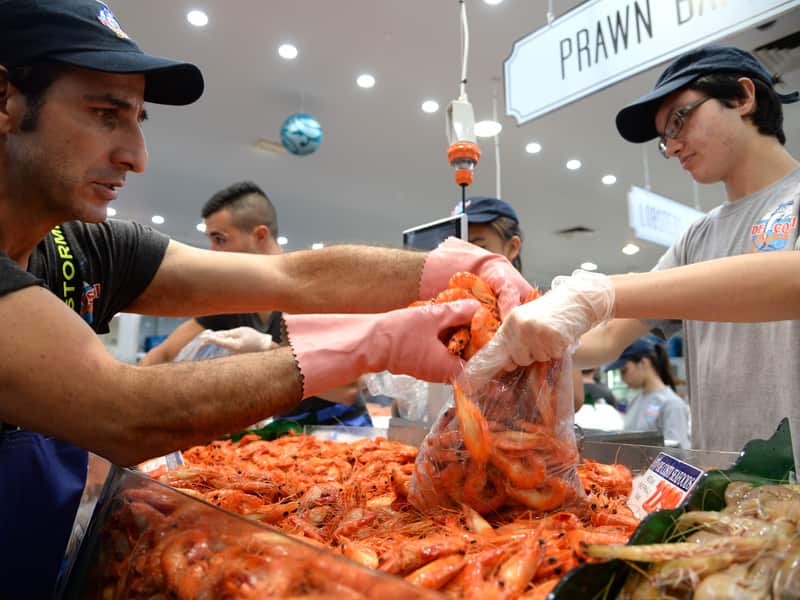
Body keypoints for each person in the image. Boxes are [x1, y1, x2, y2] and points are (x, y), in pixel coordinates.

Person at [0, 1, 533, 594]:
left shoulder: (82, 247)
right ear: (6, 101)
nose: (136, 155)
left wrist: (456, 266)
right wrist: (370, 342)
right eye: (104, 114)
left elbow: (294, 278)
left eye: (137, 120)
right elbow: (121, 411)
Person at [472, 44, 800, 452]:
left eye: (680, 120)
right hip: (726, 494)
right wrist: (505, 336)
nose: (674, 145)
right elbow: (607, 339)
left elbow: (790, 281)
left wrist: (600, 292)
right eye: (665, 139)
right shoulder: (696, 238)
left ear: (743, 97)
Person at [140, 181, 371, 426]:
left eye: (220, 239)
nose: (213, 252)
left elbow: (347, 388)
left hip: (343, 433)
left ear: (260, 235)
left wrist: (265, 351)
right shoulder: (232, 300)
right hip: (279, 437)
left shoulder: (314, 291)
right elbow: (164, 353)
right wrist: (133, 397)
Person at [606, 339, 690, 448]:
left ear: (643, 363)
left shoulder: (671, 404)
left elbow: (678, 452)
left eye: (624, 370)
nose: (623, 378)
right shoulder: (636, 400)